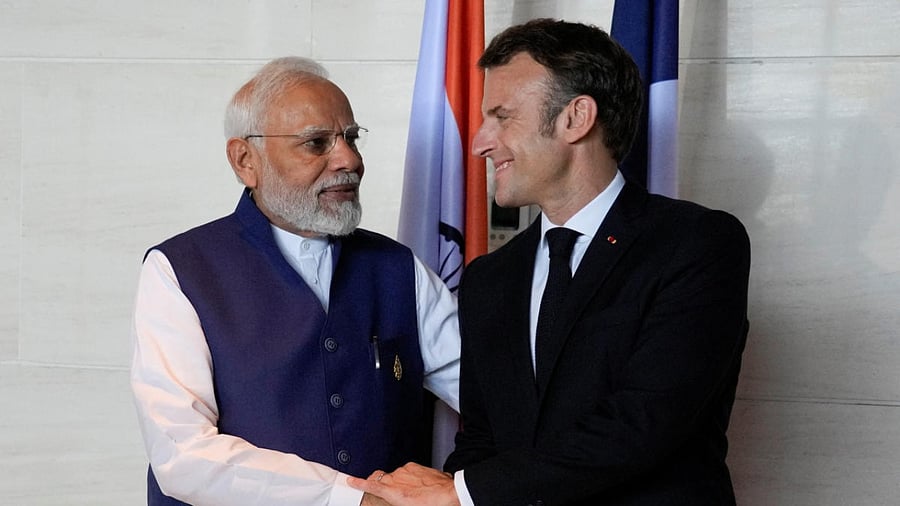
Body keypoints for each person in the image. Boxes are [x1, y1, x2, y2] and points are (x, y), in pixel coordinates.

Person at [349, 18, 751, 505]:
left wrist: (460, 492)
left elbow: (643, 423)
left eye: (502, 116)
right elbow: (481, 441)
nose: (479, 142)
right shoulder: (490, 279)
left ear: (576, 118)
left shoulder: (696, 244)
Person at [130, 56, 460, 506]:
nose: (349, 159)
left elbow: (489, 394)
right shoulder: (179, 271)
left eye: (351, 138)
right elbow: (183, 455)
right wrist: (350, 498)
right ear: (246, 160)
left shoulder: (398, 267)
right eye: (316, 143)